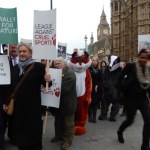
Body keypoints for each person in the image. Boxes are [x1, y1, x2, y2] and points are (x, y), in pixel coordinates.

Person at [3, 43, 51, 150]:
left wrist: (48, 80)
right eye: (20, 52)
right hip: (18, 109)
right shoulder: (15, 68)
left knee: (33, 136)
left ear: (30, 53)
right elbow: (10, 87)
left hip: (32, 109)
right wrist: (7, 102)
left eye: (24, 51)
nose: (22, 53)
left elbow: (46, 84)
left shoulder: (38, 67)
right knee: (21, 137)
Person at [117, 48, 150, 150]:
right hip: (130, 99)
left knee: (148, 121)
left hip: (143, 99)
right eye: (142, 57)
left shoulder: (148, 69)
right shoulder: (131, 66)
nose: (143, 60)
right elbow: (120, 78)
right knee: (130, 120)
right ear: (138, 57)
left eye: (146, 58)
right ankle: (120, 131)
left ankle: (145, 146)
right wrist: (121, 92)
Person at [51, 57, 77, 150]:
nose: (56, 65)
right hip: (58, 103)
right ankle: (58, 136)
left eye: (59, 63)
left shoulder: (70, 74)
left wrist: (51, 87)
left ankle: (67, 141)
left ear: (64, 64)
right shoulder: (54, 73)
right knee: (58, 121)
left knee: (68, 123)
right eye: (55, 64)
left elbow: (64, 89)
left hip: (68, 103)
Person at [88, 57, 102, 123]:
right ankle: (90, 116)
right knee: (90, 103)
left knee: (95, 103)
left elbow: (101, 80)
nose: (94, 61)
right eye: (93, 60)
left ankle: (94, 117)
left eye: (95, 60)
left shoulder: (99, 70)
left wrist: (98, 85)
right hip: (90, 88)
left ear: (97, 62)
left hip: (97, 89)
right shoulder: (88, 69)